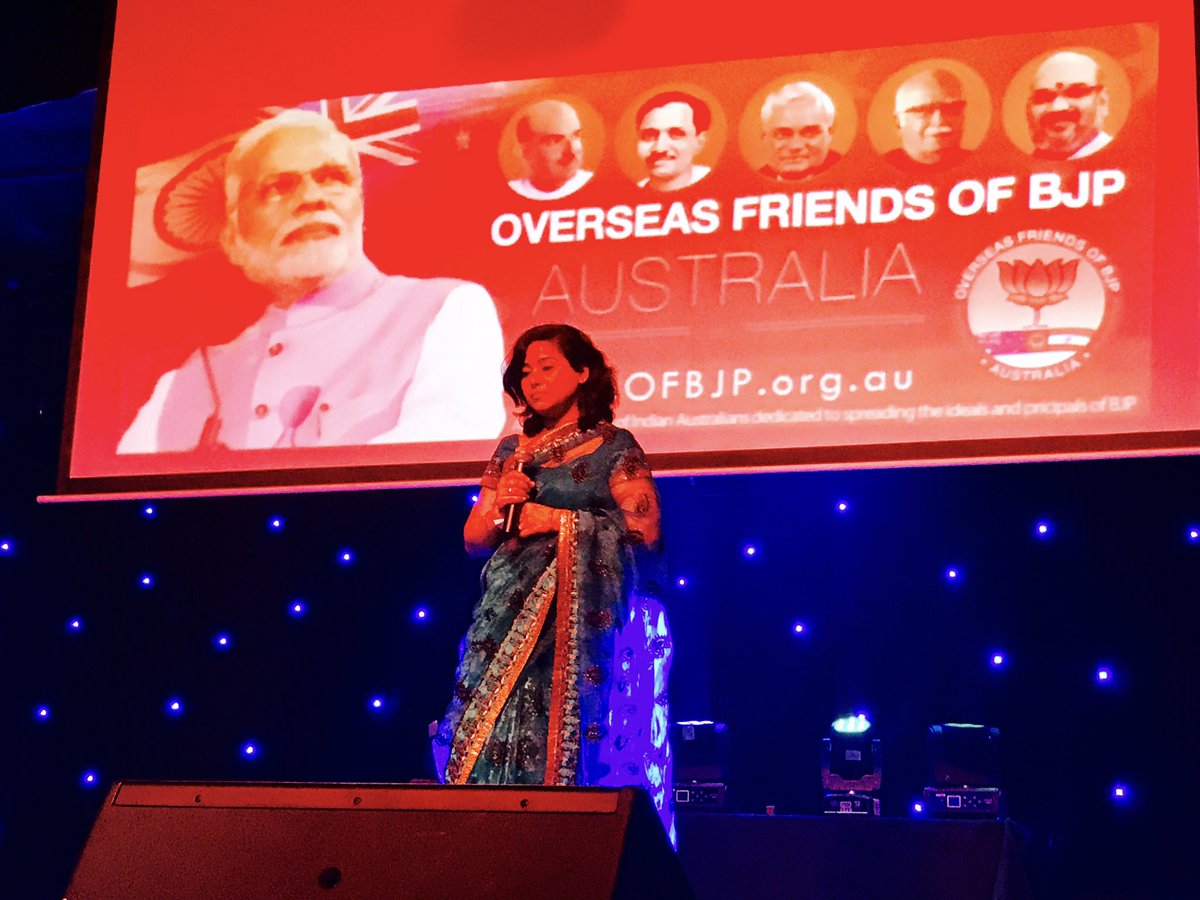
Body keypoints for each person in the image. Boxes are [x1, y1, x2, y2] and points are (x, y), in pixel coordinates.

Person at [117, 109, 505, 453]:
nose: (311, 198)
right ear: (233, 238)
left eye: (333, 178)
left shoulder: (448, 310)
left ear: (360, 207)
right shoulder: (186, 381)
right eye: (278, 186)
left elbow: (435, 456)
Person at [432, 324, 675, 843]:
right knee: (484, 724)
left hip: (578, 627)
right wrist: (502, 500)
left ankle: (559, 848)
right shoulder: (512, 450)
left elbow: (645, 530)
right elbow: (474, 538)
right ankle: (482, 844)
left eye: (547, 367)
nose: (533, 380)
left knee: (565, 733)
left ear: (583, 372)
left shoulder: (613, 446)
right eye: (525, 372)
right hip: (504, 614)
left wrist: (557, 521)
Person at [1026, 50, 1112, 160]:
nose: (1057, 107)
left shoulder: (1123, 161)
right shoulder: (1019, 166)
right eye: (1044, 97)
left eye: (1075, 93)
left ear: (1102, 101)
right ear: (1028, 109)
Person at [884, 68, 970, 171]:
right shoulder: (878, 170)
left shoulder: (981, 163)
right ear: (898, 123)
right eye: (924, 110)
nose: (939, 120)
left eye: (952, 108)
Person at [508, 99, 593, 200]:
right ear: (524, 150)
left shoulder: (597, 186)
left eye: (576, 135)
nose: (571, 151)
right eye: (555, 141)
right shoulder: (508, 194)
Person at [757, 81, 842, 180]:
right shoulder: (750, 183)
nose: (795, 146)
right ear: (764, 137)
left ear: (829, 133)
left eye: (809, 133)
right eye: (782, 135)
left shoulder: (852, 176)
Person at [636, 91, 712, 192]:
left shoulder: (721, 185)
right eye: (649, 135)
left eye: (676, 134)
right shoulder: (627, 195)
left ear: (699, 142)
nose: (660, 148)